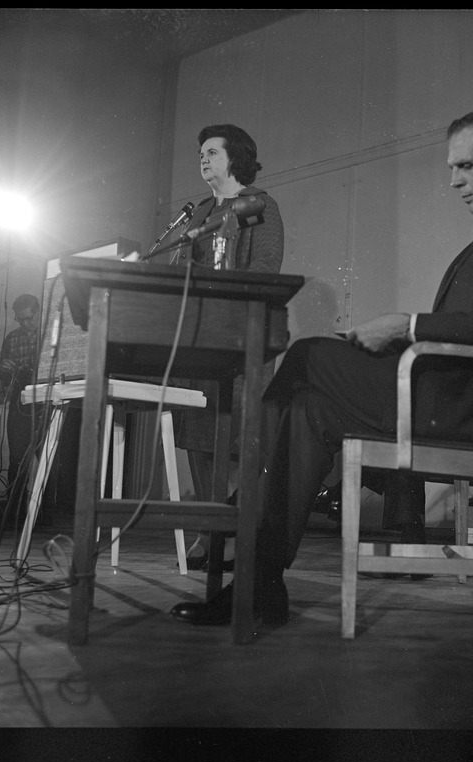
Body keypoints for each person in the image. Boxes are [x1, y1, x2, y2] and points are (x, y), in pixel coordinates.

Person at [170, 106, 473, 626]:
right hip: (456, 396)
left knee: (307, 356)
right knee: (308, 411)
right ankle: (259, 584)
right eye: (451, 167)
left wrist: (404, 326)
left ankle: (245, 496)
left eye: (465, 166)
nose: (453, 180)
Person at [172, 124, 285, 570]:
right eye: (200, 152)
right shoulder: (198, 213)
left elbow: (265, 269)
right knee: (198, 436)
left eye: (212, 151)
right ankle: (209, 527)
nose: (203, 158)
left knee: (239, 436)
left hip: (241, 339)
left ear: (235, 157)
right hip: (197, 340)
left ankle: (239, 532)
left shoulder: (259, 205)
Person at [0, 293, 42, 522]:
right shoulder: (12, 338)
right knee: (17, 459)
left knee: (46, 458)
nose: (24, 324)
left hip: (48, 402)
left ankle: (43, 514)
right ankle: (16, 513)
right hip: (19, 401)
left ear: (39, 312)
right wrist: (3, 368)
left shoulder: (52, 336)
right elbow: (2, 374)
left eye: (28, 319)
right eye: (20, 319)